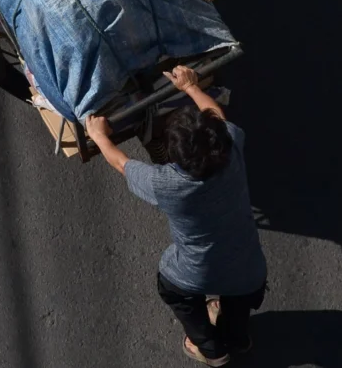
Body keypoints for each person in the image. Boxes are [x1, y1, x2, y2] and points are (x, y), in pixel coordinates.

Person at [85, 65, 267, 366]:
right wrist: (192, 88)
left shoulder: (166, 184)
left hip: (196, 273)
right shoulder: (232, 146)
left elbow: (121, 164)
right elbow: (218, 117)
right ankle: (237, 338)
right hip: (249, 268)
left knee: (174, 288)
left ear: (175, 157)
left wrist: (100, 136)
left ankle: (210, 349)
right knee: (239, 299)